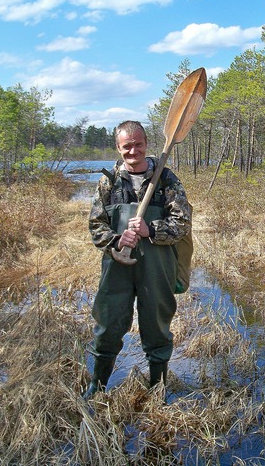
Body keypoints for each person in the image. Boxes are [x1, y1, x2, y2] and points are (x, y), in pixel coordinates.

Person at [83, 120, 192, 400]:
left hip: (157, 266)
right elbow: (96, 224)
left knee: (157, 325)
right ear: (119, 148)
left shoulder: (166, 179)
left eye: (138, 144)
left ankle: (158, 387)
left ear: (146, 144)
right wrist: (117, 240)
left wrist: (150, 229)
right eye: (127, 146)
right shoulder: (109, 181)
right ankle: (98, 384)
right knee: (108, 323)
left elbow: (183, 223)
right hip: (117, 265)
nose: (134, 151)